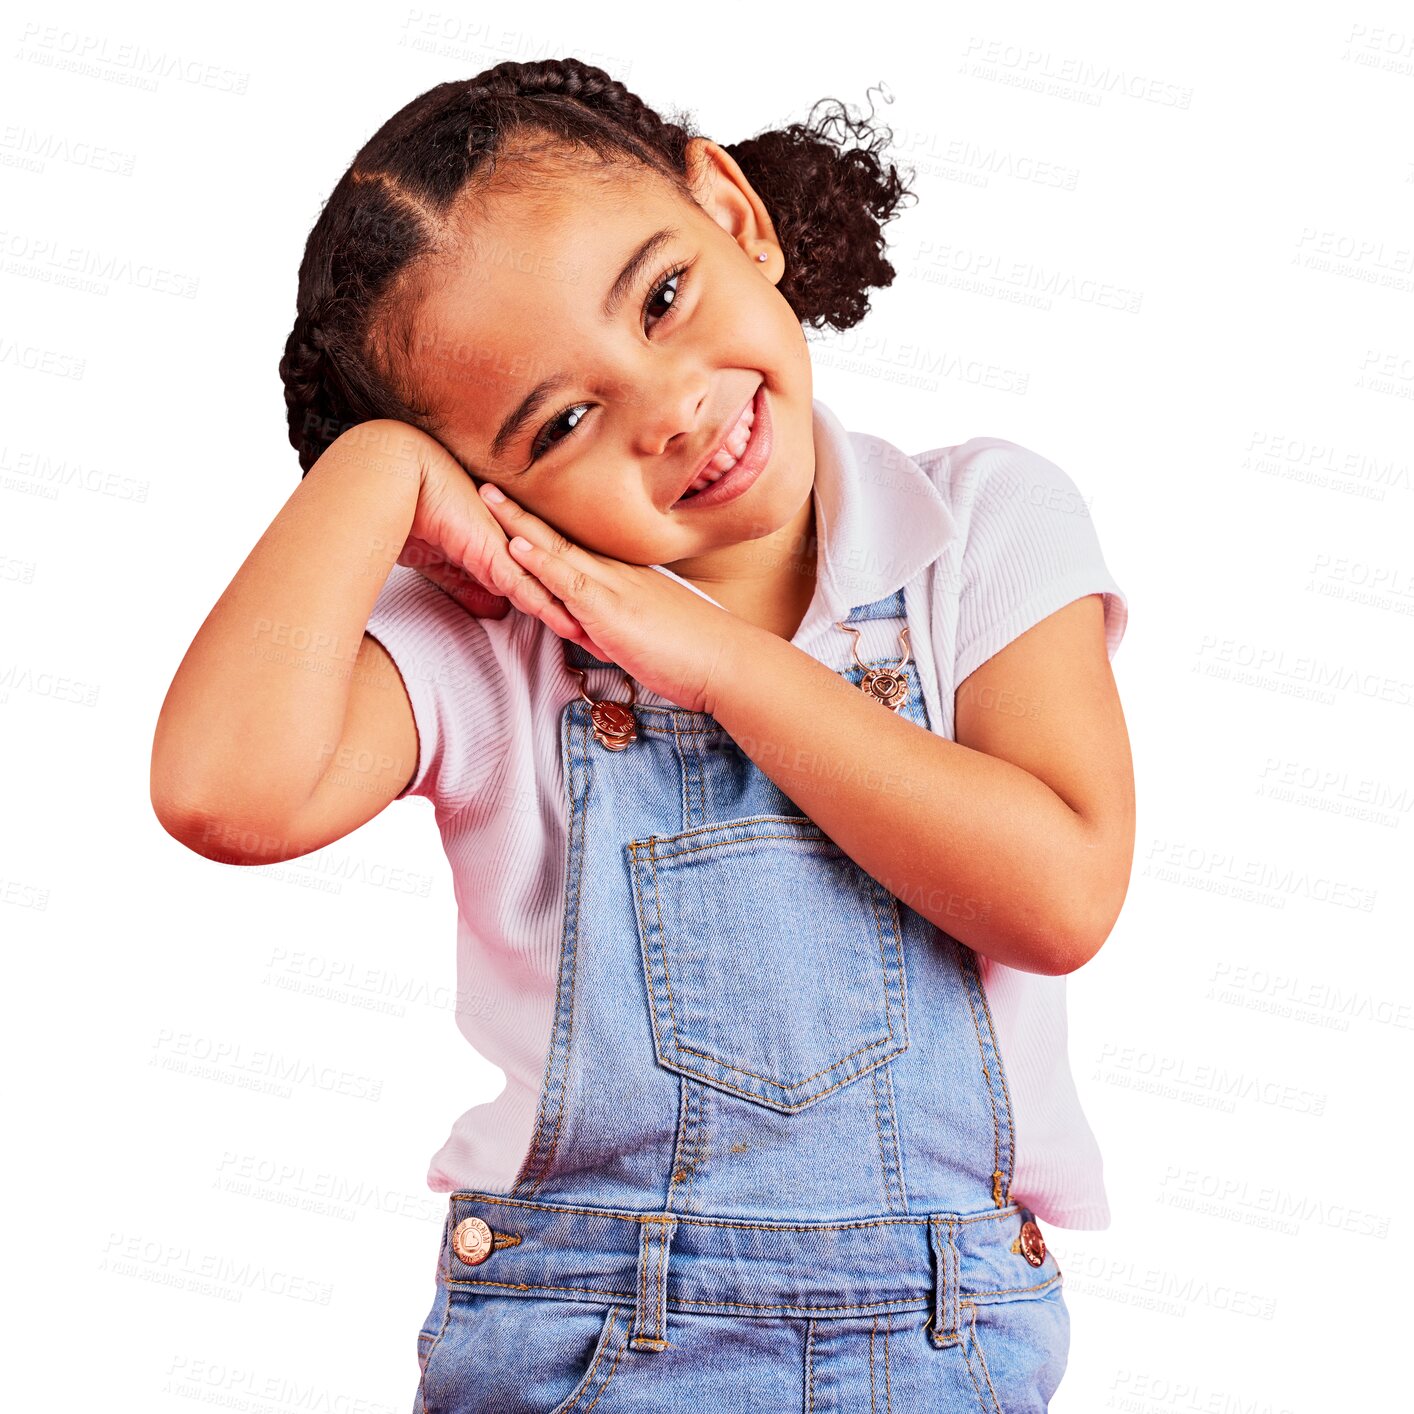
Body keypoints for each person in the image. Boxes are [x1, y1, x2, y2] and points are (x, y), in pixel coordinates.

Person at [151, 56, 1133, 1413]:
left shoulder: (973, 532)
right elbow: (220, 792)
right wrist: (370, 472)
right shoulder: (495, 641)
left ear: (730, 208)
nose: (667, 406)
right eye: (559, 421)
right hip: (590, 1349)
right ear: (484, 493)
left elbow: (1059, 890)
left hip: (943, 1336)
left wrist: (719, 662)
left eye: (661, 297)